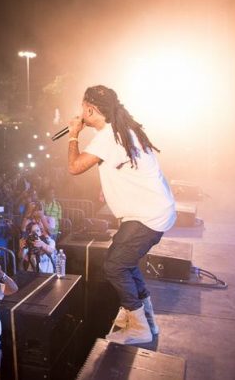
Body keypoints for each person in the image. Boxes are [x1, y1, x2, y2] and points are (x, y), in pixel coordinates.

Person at [66, 85, 176, 345]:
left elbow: (74, 167)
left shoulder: (106, 137)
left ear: (90, 109)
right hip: (153, 209)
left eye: (83, 108)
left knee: (114, 266)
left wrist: (73, 135)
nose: (81, 112)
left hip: (148, 215)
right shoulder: (122, 130)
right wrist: (112, 189)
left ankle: (139, 327)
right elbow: (127, 168)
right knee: (123, 260)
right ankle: (146, 318)